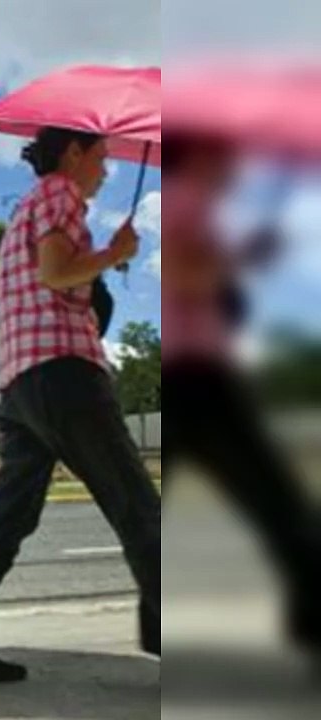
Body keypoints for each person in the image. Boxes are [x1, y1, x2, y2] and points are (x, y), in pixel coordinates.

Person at [0, 127, 160, 683]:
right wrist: (113, 252)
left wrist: (103, 258)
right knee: (138, 506)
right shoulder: (60, 194)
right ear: (73, 153)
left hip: (21, 384)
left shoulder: (23, 216)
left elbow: (48, 281)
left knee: (5, 522)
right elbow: (57, 273)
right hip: (65, 375)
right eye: (101, 158)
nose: (105, 171)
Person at [161, 133, 319, 655]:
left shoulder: (191, 205)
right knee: (271, 495)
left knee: (156, 505)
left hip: (193, 373)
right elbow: (187, 276)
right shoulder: (184, 200)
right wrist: (246, 256)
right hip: (198, 375)